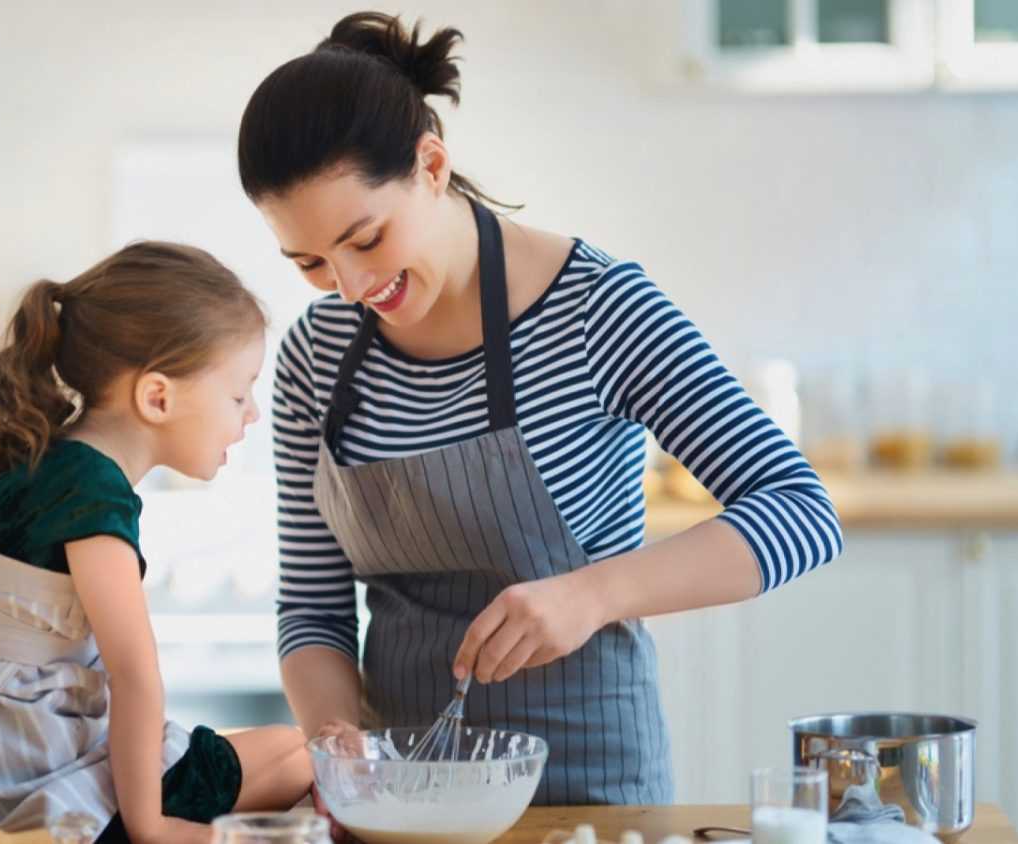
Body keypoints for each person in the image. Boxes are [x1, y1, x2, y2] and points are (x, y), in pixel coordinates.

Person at [237, 11, 844, 819]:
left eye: (366, 239)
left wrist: (590, 596)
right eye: (310, 262)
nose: (348, 287)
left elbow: (802, 513)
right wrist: (338, 744)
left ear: (431, 164)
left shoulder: (598, 308)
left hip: (588, 796)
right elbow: (313, 606)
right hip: (402, 807)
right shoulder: (317, 353)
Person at [0, 242, 312, 843]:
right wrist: (154, 826)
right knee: (295, 757)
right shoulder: (94, 495)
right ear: (158, 397)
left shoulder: (45, 459)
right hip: (24, 790)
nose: (250, 416)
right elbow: (135, 678)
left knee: (289, 751)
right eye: (239, 394)